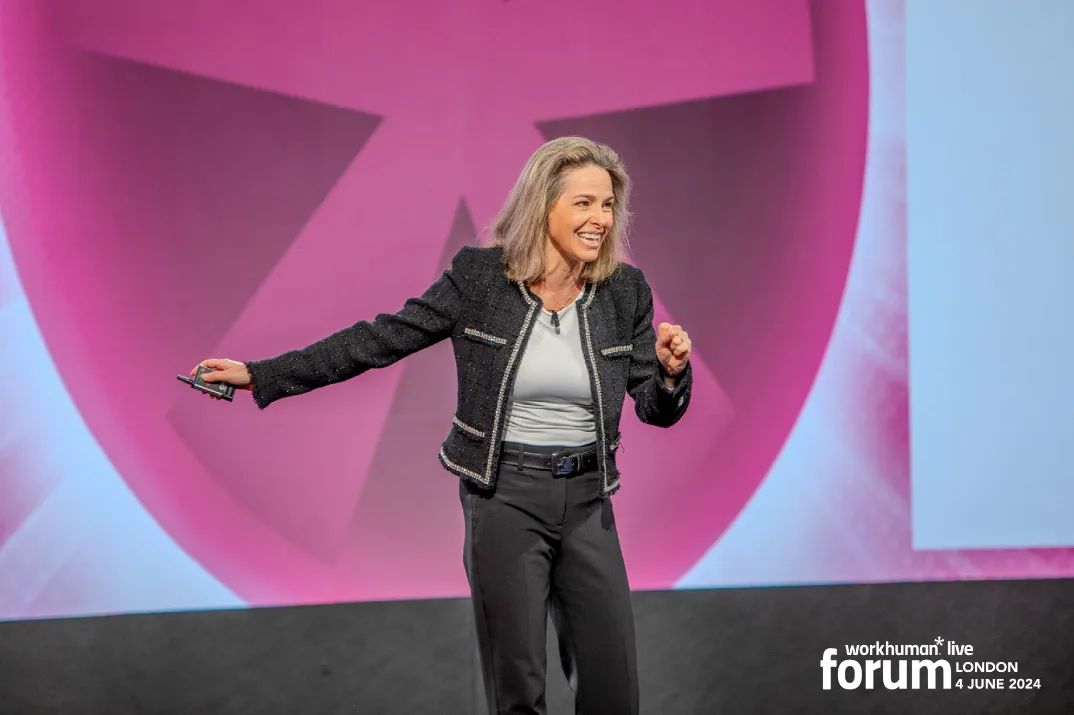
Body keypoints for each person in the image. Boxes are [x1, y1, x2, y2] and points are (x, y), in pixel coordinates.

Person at [191, 136, 693, 715]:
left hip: (588, 502)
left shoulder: (624, 291)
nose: (600, 219)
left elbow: (654, 408)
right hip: (504, 498)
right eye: (584, 203)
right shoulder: (480, 280)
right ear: (544, 204)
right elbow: (379, 339)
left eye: (607, 205)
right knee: (518, 691)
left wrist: (672, 374)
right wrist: (263, 374)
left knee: (614, 691)